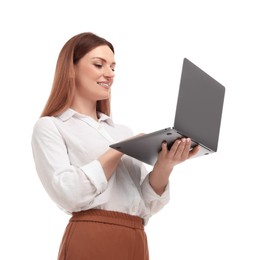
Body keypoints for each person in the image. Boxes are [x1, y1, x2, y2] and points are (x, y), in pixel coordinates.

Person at [31, 32, 199, 260]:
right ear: (71, 69)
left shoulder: (121, 131)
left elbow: (146, 204)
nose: (109, 74)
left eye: (113, 67)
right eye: (99, 64)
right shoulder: (51, 126)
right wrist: (119, 150)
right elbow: (68, 194)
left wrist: (165, 165)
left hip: (136, 236)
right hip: (91, 237)